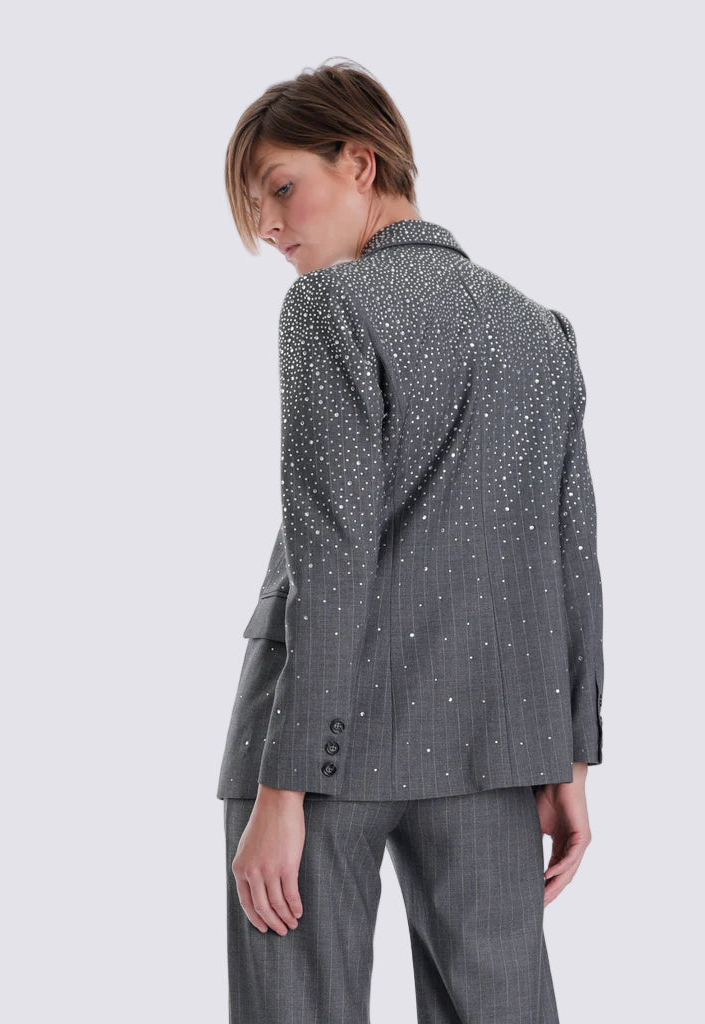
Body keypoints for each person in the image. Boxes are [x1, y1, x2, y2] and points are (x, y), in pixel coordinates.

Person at [216, 58, 604, 1023]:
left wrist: (282, 789)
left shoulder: (329, 306)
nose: (269, 227)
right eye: (257, 208)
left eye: (280, 189)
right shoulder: (540, 330)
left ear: (360, 161)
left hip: (318, 749)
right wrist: (569, 758)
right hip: (489, 745)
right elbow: (572, 559)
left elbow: (330, 552)